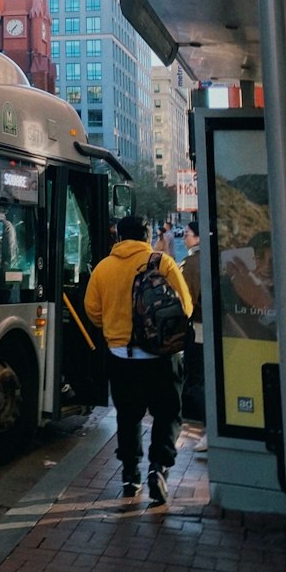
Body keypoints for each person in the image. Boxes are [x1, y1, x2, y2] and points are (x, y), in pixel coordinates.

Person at [84, 215, 192, 505]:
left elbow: (92, 310)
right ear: (146, 235)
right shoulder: (164, 263)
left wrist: (114, 327)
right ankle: (159, 467)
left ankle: (130, 475)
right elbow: (186, 307)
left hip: (121, 356)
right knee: (167, 411)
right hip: (161, 356)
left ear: (119, 236)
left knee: (128, 416)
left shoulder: (104, 267)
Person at [179, 219, 206, 449]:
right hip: (213, 328)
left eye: (187, 233)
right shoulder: (211, 258)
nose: (184, 237)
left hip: (197, 328)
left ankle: (208, 424)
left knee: (195, 378)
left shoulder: (190, 264)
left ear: (197, 237)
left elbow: (184, 301)